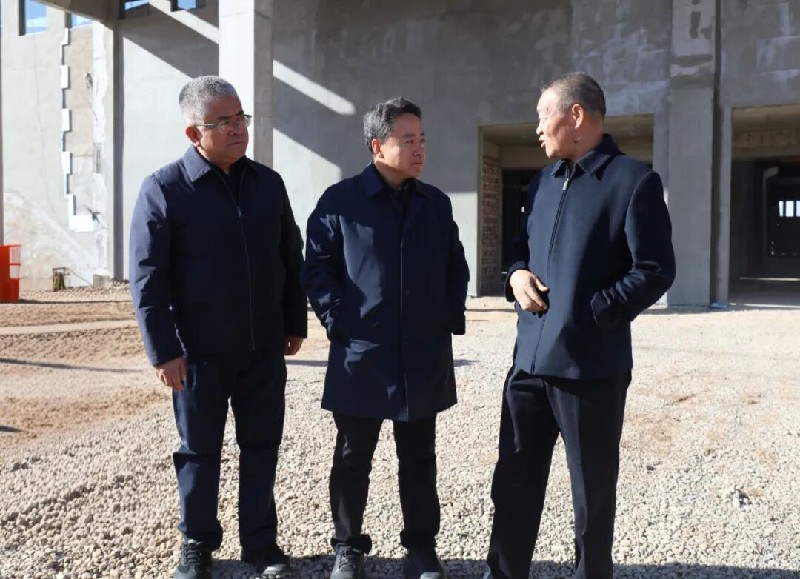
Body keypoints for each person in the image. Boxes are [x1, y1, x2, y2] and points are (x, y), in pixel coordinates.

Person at [484, 73, 676, 579]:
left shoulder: (633, 181)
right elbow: (520, 250)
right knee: (513, 481)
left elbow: (655, 269)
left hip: (590, 366)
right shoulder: (542, 181)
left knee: (591, 495)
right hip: (528, 363)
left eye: (542, 115)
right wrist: (515, 275)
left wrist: (593, 314)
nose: (536, 129)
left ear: (575, 115)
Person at [129, 76, 307, 579]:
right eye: (224, 121)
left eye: (241, 118)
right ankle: (197, 542)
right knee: (199, 451)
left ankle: (260, 543)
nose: (238, 129)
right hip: (197, 353)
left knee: (261, 446)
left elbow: (289, 257)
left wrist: (293, 321)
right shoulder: (165, 189)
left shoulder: (267, 184)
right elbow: (147, 278)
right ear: (194, 133)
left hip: (262, 347)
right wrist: (163, 350)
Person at [301, 97, 470, 579]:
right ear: (377, 146)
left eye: (423, 140)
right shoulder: (341, 202)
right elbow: (317, 269)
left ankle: (421, 547)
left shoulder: (434, 204)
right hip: (363, 353)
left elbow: (455, 266)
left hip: (421, 351)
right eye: (407, 140)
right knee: (353, 457)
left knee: (419, 457)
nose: (420, 150)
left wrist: (445, 317)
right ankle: (347, 547)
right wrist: (340, 320)